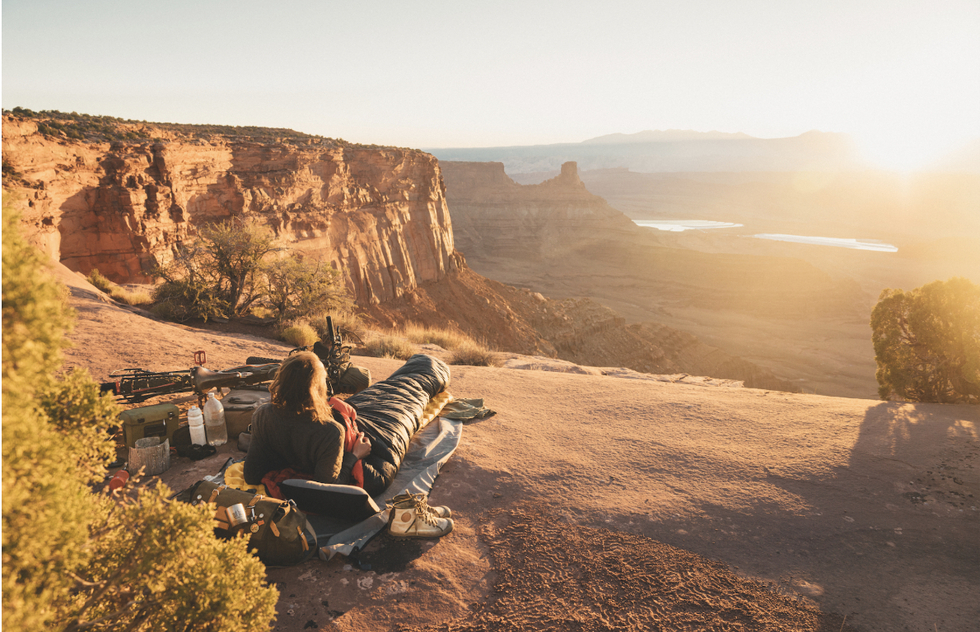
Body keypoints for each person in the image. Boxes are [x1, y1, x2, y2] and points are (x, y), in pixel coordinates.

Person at [243, 351, 371, 486]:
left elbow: (251, 476)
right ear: (318, 388)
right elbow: (329, 487)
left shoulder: (263, 415)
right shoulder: (331, 431)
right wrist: (355, 455)